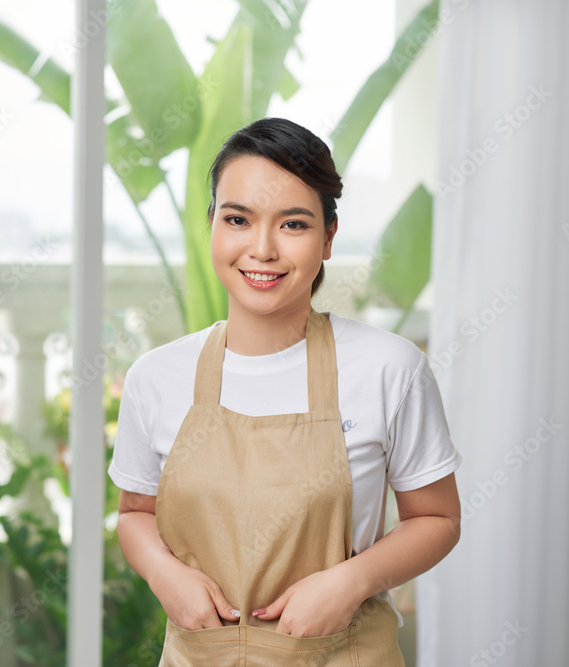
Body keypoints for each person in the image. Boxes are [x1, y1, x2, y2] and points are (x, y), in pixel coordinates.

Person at [108, 117, 462, 666]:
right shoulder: (156, 377)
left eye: (293, 224)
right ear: (213, 227)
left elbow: (437, 519)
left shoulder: (390, 368)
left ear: (328, 236)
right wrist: (163, 573)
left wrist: (350, 582)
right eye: (238, 219)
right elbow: (134, 512)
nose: (262, 249)